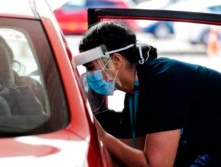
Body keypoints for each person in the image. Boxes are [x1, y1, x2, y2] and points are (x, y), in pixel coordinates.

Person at [74, 21, 221, 167]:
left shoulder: (165, 81)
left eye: (91, 68)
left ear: (116, 60)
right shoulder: (135, 93)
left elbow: (156, 165)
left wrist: (102, 136)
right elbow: (128, 150)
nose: (89, 75)